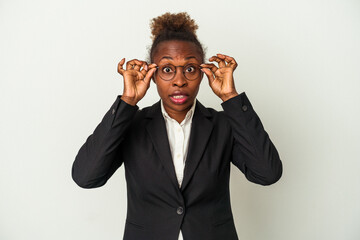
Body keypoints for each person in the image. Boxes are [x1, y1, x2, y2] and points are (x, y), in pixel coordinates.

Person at [72, 12, 282, 240]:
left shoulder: (224, 125)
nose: (179, 80)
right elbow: (86, 177)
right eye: (167, 69)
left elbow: (267, 173)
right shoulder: (131, 124)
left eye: (190, 69)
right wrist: (127, 101)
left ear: (203, 73)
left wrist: (230, 98)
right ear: (152, 75)